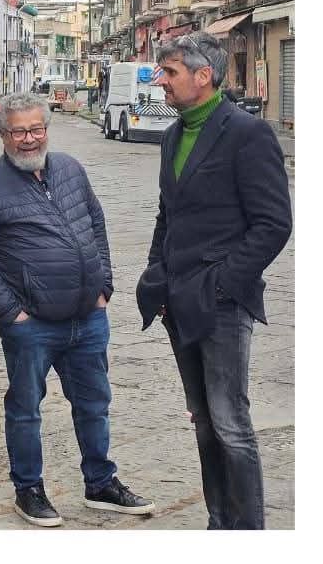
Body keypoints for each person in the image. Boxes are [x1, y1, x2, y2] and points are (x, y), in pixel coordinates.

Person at [0, 92, 155, 528]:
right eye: (18, 132)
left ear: (47, 129)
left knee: (94, 403)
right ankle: (28, 489)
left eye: (36, 129)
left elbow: (96, 223)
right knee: (25, 408)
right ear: (2, 134)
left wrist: (104, 286)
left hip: (88, 317)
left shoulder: (70, 168)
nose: (29, 139)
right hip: (32, 325)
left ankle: (100, 483)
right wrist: (12, 313)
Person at [137, 32, 291, 530]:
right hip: (178, 298)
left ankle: (247, 533)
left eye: (171, 72)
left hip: (221, 301)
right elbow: (168, 215)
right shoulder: (173, 135)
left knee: (230, 423)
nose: (162, 81)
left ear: (204, 76)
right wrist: (157, 274)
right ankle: (219, 523)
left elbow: (273, 224)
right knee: (203, 422)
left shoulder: (248, 133)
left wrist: (225, 283)